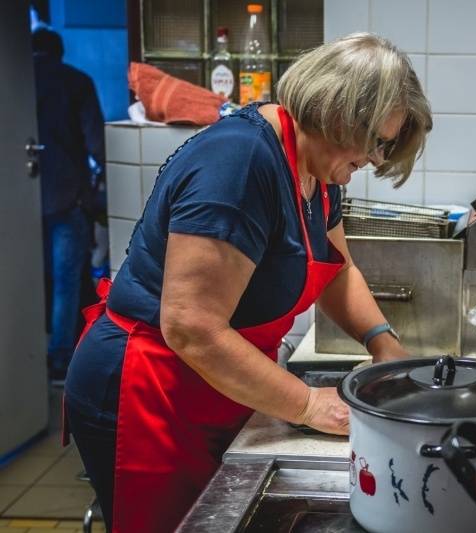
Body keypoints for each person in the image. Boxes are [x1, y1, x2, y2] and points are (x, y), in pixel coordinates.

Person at [64, 32, 432, 533]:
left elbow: (338, 270)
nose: (377, 160)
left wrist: (384, 346)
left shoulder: (318, 172)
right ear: (339, 115)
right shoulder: (238, 164)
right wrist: (308, 404)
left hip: (216, 384)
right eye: (377, 143)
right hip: (153, 390)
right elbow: (190, 325)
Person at [32, 26, 106, 383]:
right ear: (59, 51)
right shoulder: (75, 81)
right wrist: (104, 177)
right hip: (66, 194)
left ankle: (26, 354)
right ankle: (60, 359)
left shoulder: (18, 82)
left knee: (29, 276)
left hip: (22, 198)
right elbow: (97, 142)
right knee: (66, 280)